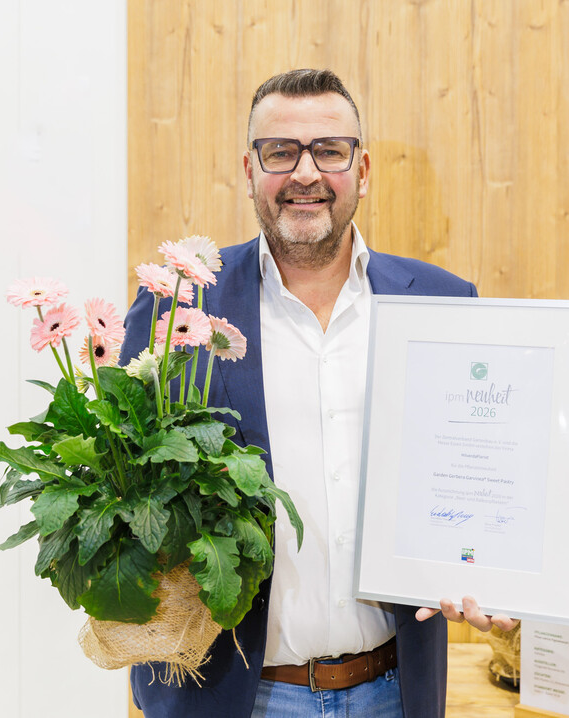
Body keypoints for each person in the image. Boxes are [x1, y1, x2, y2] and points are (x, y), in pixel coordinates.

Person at [120, 68, 514, 718]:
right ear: (248, 170)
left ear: (363, 169)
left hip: (394, 692)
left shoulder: (444, 304)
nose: (306, 173)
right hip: (231, 698)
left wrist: (485, 567)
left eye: (329, 150)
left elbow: (476, 475)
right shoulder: (178, 308)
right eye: (280, 151)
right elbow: (126, 491)